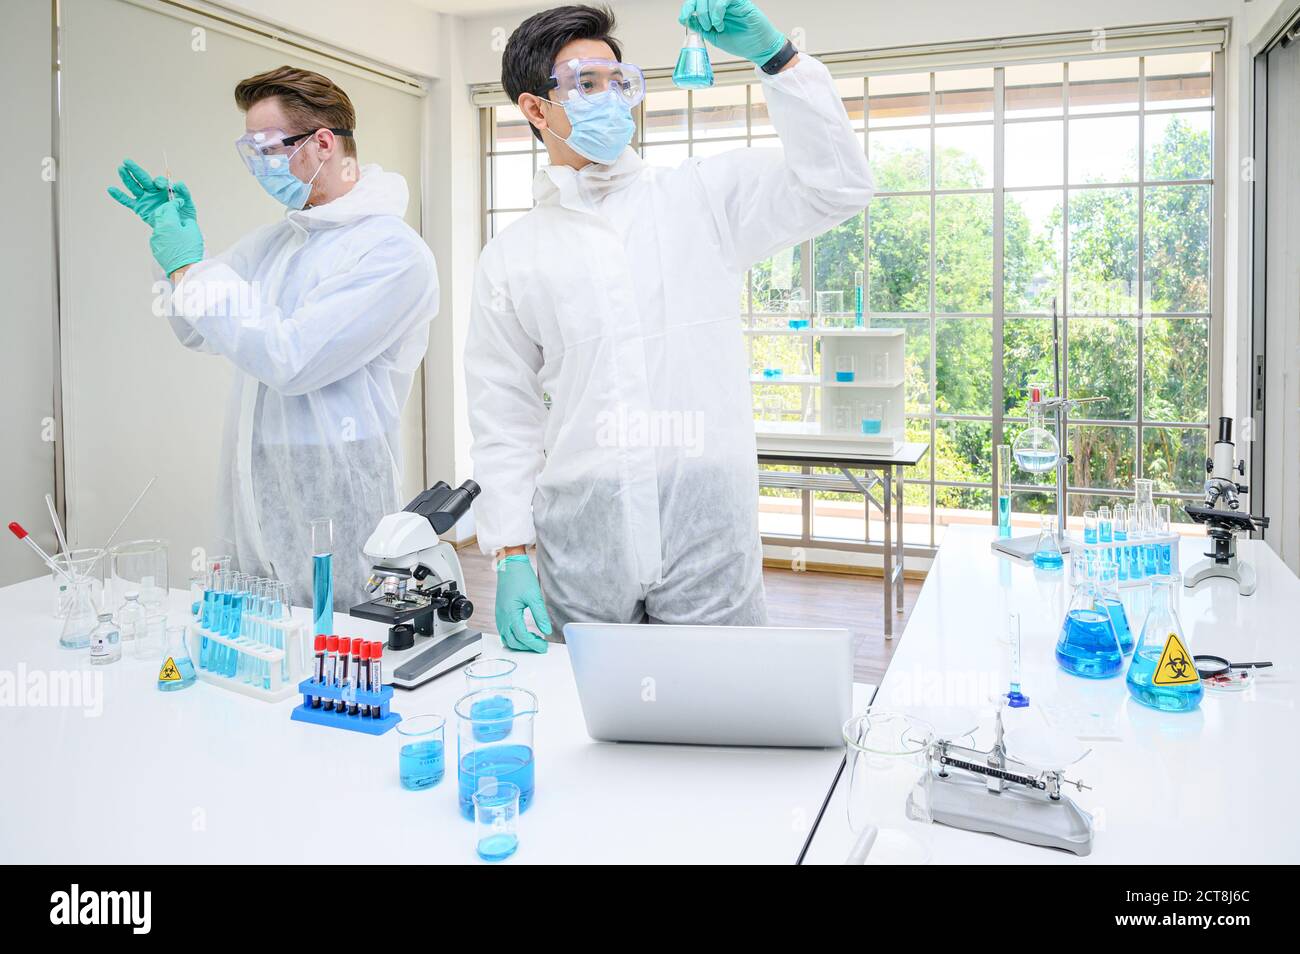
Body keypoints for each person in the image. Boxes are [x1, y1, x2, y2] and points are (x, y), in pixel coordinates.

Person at [465, 2, 873, 652]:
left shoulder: (699, 198)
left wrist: (778, 57)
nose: (611, 99)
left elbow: (838, 189)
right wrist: (511, 552)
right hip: (583, 540)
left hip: (705, 528)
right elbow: (504, 420)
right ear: (536, 109)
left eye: (617, 81)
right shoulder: (512, 258)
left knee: (720, 726)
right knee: (593, 732)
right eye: (585, 85)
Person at [108, 66, 438, 609]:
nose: (256, 166)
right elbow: (196, 327)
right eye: (249, 150)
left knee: (338, 653)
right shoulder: (277, 243)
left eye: (265, 148)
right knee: (258, 655)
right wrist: (174, 255)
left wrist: (193, 268)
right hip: (254, 484)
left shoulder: (391, 252)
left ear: (323, 143)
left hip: (338, 486)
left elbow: (292, 359)